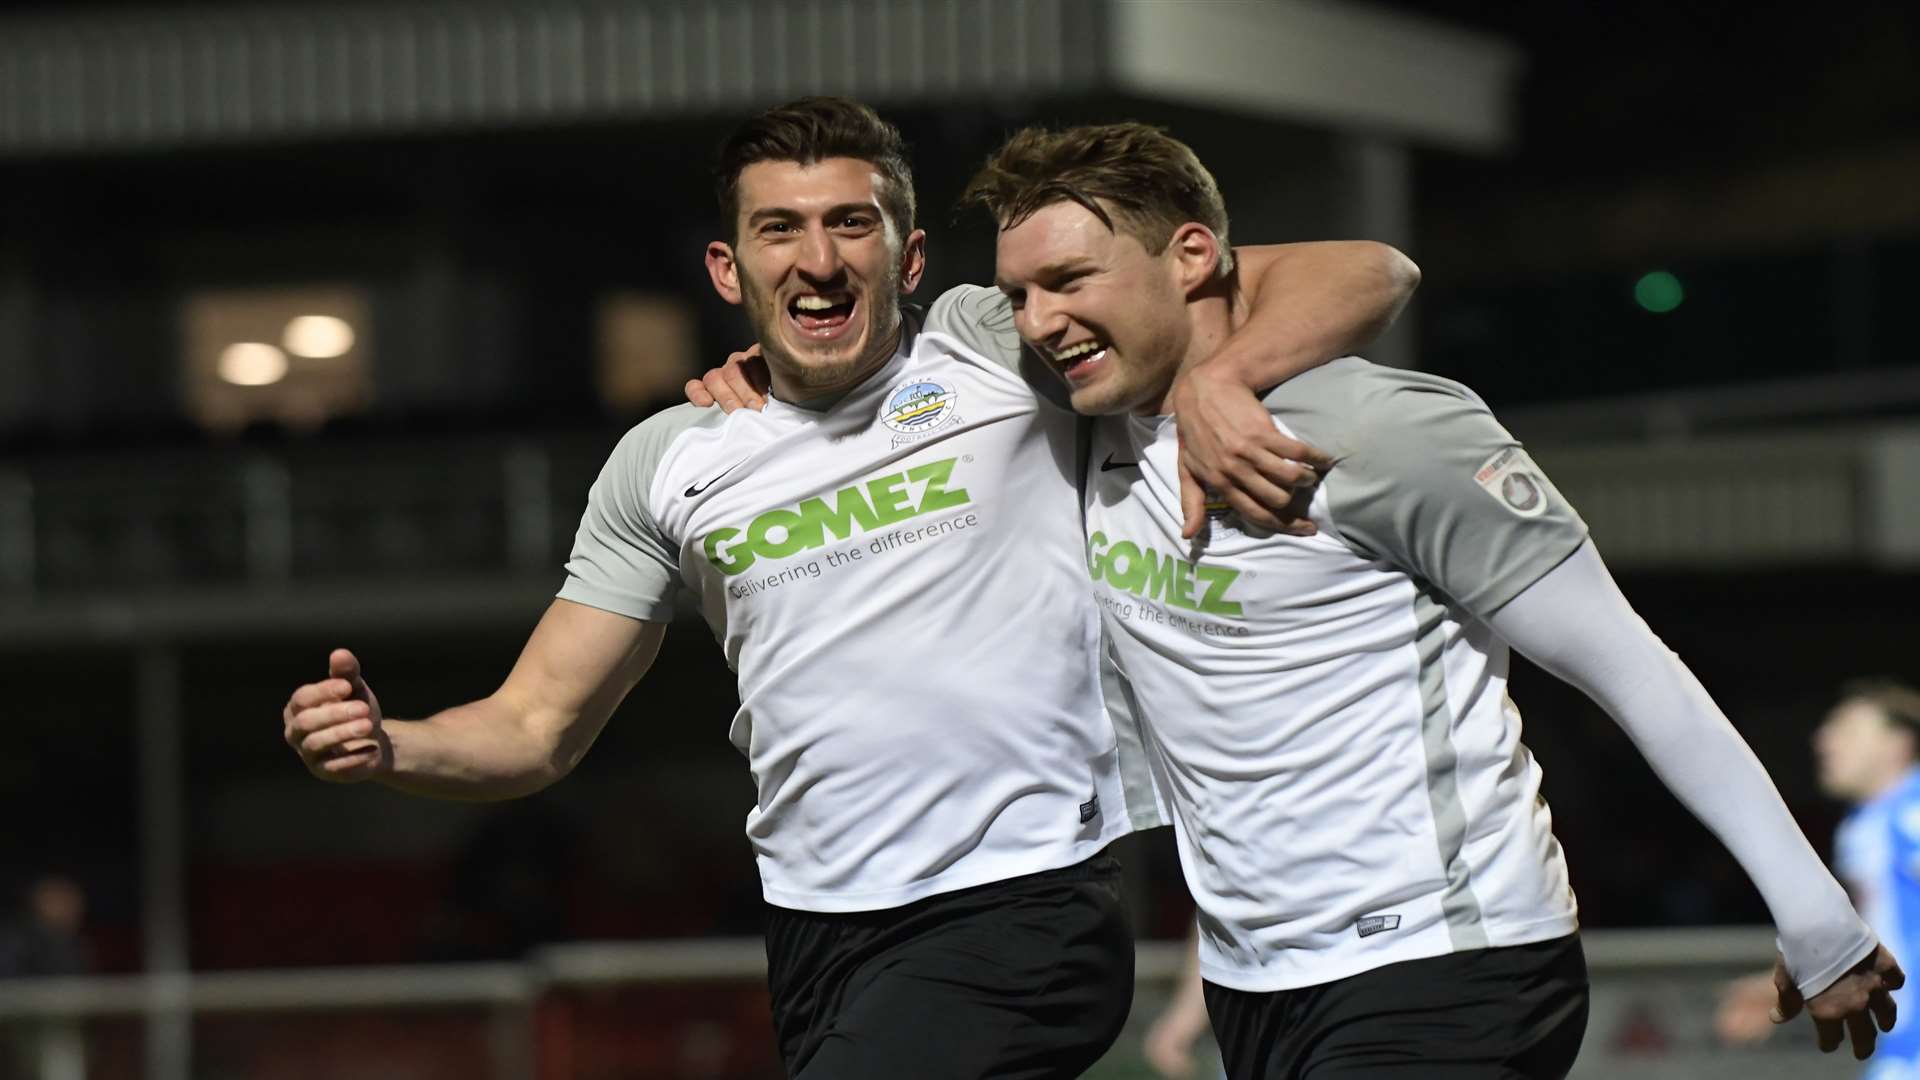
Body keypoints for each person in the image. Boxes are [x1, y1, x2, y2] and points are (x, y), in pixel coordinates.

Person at [281, 97, 1416, 1079]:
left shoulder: (997, 349)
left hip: (1025, 905)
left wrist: (1225, 375)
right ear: (731, 268)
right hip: (816, 933)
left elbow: (1367, 268)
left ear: (908, 258)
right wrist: (394, 748)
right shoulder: (669, 460)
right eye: (779, 228)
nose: (817, 260)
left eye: (848, 225)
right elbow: (534, 727)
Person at [964, 121, 1903, 1079]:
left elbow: (1634, 671)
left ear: (1194, 256)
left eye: (1070, 282)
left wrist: (1815, 913)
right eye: (1019, 295)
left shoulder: (1382, 429)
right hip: (1259, 989)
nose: (1038, 321)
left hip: (1450, 964)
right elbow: (1364, 267)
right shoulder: (1084, 421)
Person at [1719, 679, 1920, 1078]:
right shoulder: (1865, 825)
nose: (1824, 740)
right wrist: (1784, 980)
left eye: (1847, 730)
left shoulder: (1912, 811)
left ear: (1897, 743)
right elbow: (1885, 932)